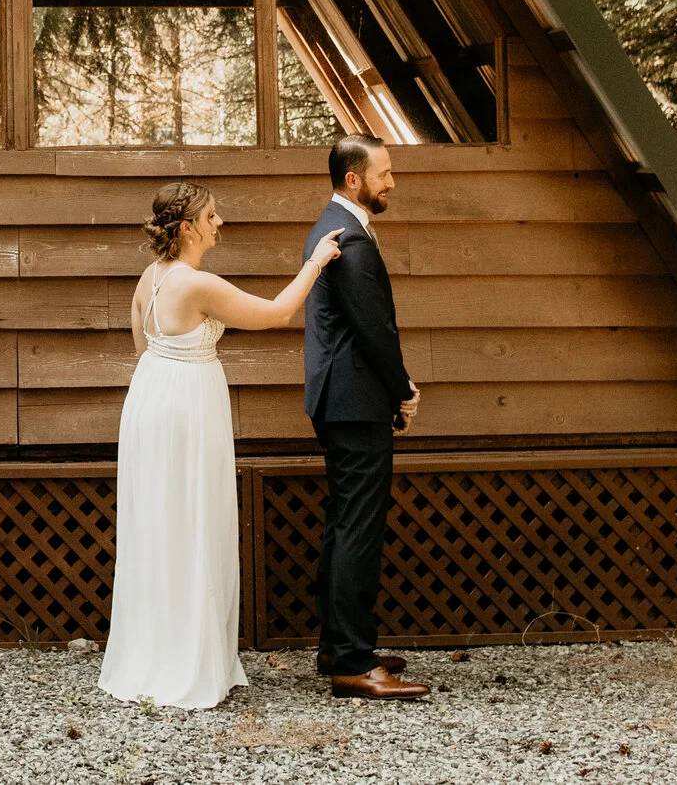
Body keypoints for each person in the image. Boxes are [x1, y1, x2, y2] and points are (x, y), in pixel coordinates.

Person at [99, 180, 345, 709]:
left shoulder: (151, 277)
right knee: (192, 521)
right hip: (187, 406)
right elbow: (276, 312)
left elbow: (143, 344)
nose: (219, 222)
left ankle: (153, 650)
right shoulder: (195, 284)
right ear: (186, 226)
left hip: (150, 399)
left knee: (160, 525)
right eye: (211, 215)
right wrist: (318, 261)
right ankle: (188, 662)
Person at [302, 133, 430, 700]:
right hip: (355, 402)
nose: (392, 182)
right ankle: (352, 662)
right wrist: (402, 389)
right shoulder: (350, 239)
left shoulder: (337, 227)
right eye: (383, 173)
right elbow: (373, 329)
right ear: (353, 179)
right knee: (358, 528)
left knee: (343, 524)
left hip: (340, 401)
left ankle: (338, 645)